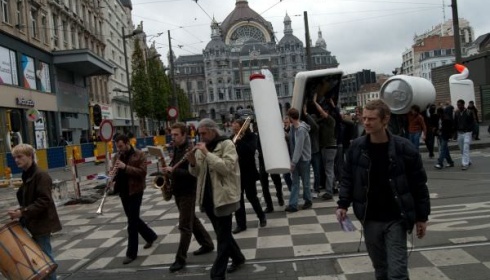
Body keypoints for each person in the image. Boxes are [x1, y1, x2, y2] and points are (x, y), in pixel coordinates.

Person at [336, 99, 430, 280]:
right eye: (364, 118)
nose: (366, 123)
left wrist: (422, 217)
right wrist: (342, 204)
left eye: (371, 119)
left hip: (396, 218)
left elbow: (419, 185)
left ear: (385, 120)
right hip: (370, 218)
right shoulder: (357, 147)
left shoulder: (404, 148)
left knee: (397, 273)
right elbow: (348, 178)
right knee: (381, 268)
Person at [188, 118, 245, 280]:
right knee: (223, 234)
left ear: (213, 130)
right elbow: (196, 173)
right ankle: (238, 258)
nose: (201, 137)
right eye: (200, 134)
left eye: (204, 133)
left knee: (223, 238)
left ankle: (217, 274)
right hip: (208, 199)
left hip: (224, 198)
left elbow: (226, 168)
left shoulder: (226, 144)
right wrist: (192, 163)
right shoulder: (201, 148)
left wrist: (207, 153)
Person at [162, 122, 214, 272]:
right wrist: (167, 172)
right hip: (178, 190)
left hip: (188, 191)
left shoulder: (190, 150)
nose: (173, 137)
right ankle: (207, 244)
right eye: (172, 134)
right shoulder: (177, 148)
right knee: (192, 219)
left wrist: (173, 171)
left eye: (176, 135)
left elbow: (194, 174)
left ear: (184, 135)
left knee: (184, 225)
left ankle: (180, 259)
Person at [7, 144, 62, 280]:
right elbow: (30, 199)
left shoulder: (41, 175)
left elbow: (44, 200)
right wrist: (20, 210)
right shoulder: (28, 174)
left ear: (30, 156)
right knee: (39, 257)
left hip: (41, 222)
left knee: (46, 258)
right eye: (15, 157)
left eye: (20, 157)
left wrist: (22, 212)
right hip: (32, 221)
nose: (16, 160)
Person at [112, 134, 158, 265]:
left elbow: (142, 172)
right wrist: (112, 178)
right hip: (123, 191)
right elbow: (115, 173)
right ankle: (150, 236)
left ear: (127, 143)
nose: (119, 149)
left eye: (121, 146)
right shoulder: (117, 156)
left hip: (136, 191)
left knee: (132, 223)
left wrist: (125, 167)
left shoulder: (139, 154)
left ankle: (131, 253)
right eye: (117, 146)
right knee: (134, 218)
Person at [231, 118, 266, 234]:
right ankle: (241, 224)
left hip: (248, 171)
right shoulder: (231, 138)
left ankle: (261, 216)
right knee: (238, 199)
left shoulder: (251, 136)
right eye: (232, 123)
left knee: (252, 196)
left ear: (241, 125)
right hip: (236, 173)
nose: (233, 125)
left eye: (235, 123)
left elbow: (251, 150)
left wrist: (240, 141)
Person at [285, 108, 312, 212]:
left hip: (303, 159)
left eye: (288, 117)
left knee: (305, 182)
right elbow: (291, 141)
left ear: (291, 118)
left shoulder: (301, 130)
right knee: (295, 182)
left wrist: (293, 162)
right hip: (296, 159)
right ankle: (293, 205)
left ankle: (308, 200)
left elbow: (298, 147)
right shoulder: (293, 128)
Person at [312, 93, 337, 201]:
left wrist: (315, 102)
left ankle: (329, 192)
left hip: (329, 148)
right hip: (327, 148)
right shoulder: (323, 122)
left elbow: (321, 112)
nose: (321, 113)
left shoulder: (330, 120)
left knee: (329, 170)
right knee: (329, 169)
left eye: (323, 112)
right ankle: (333, 187)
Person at [454, 99, 475, 170]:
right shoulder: (456, 113)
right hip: (459, 133)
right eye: (457, 105)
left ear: (463, 105)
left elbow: (472, 123)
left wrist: (472, 132)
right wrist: (454, 133)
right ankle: (468, 161)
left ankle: (465, 164)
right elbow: (455, 123)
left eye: (459, 105)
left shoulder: (469, 112)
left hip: (467, 133)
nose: (458, 106)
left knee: (465, 148)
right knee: (462, 149)